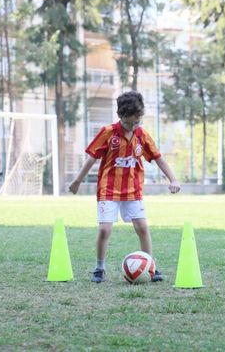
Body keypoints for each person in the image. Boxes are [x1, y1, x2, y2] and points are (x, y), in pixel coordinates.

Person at [68, 91, 181, 283]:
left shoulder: (142, 134)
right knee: (104, 230)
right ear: (120, 116)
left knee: (143, 228)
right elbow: (91, 159)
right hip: (108, 190)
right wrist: (77, 181)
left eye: (138, 122)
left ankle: (150, 267)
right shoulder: (107, 133)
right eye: (130, 123)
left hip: (133, 190)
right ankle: (99, 268)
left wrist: (173, 179)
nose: (134, 126)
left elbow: (158, 158)